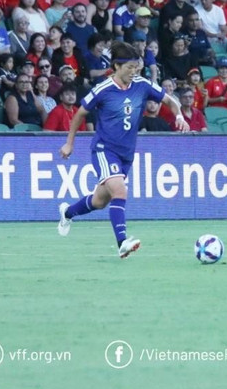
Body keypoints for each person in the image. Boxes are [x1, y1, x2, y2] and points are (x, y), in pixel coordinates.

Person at [57, 42, 188, 257]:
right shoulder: (103, 89)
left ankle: (68, 212)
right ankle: (122, 242)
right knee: (120, 190)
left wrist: (179, 115)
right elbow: (80, 114)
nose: (133, 71)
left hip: (126, 154)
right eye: (129, 68)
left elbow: (169, 100)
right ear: (116, 66)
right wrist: (69, 143)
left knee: (100, 201)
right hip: (104, 149)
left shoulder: (142, 84)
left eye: (136, 67)